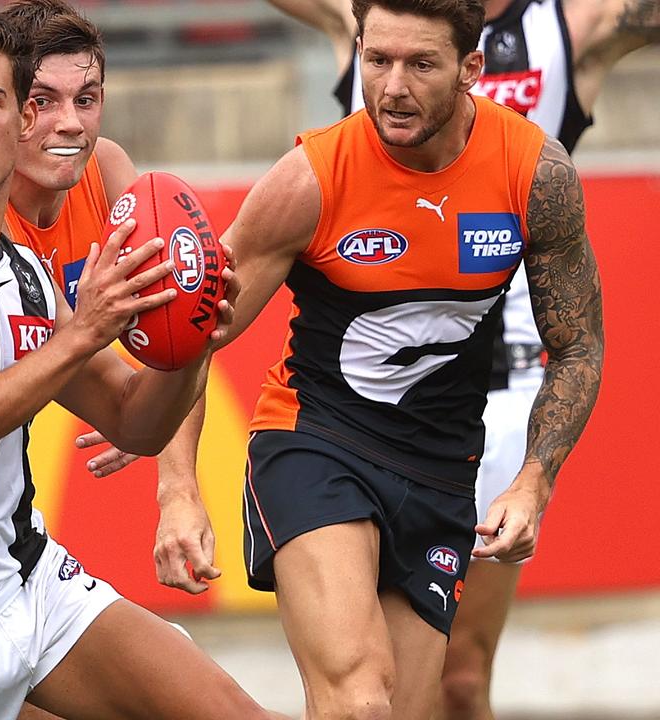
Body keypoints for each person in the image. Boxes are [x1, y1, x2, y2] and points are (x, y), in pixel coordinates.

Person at [0, 8, 271, 719]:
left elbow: (135, 421)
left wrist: (194, 344)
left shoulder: (28, 268)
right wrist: (82, 333)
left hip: (28, 580)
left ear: (14, 121)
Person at [207, 0, 604, 716]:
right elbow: (195, 334)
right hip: (316, 440)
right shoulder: (309, 177)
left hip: (441, 469)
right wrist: (176, 489)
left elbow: (578, 346)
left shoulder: (535, 172)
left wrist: (533, 481)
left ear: (471, 69)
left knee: (430, 703)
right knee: (360, 700)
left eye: (420, 64)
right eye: (377, 59)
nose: (392, 86)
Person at [0, 0, 221, 596]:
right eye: (41, 102)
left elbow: (175, 326)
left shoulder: (106, 172)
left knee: (189, 689)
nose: (71, 123)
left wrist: (178, 491)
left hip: (4, 514)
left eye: (87, 99)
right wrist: (111, 385)